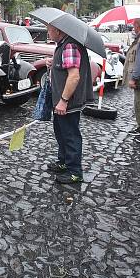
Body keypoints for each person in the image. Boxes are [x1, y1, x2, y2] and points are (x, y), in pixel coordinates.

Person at [43, 24, 94, 184]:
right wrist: (54, 63)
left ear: (58, 30)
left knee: (70, 135)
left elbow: (74, 77)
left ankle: (74, 172)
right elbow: (66, 69)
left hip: (68, 102)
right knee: (61, 132)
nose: (48, 32)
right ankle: (64, 162)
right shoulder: (64, 44)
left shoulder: (69, 45)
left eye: (49, 29)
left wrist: (63, 101)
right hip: (61, 100)